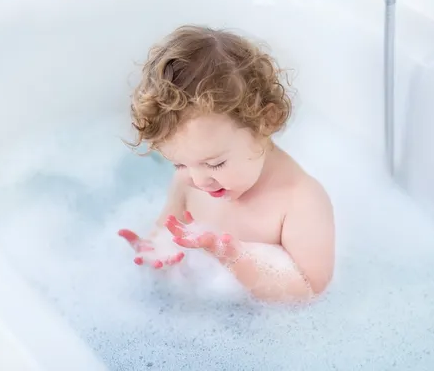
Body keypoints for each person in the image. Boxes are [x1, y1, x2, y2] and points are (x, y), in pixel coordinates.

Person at [118, 25, 335, 303]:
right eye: (179, 164)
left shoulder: (301, 201)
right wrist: (155, 252)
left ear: (266, 121)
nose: (197, 181)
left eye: (215, 164)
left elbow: (310, 290)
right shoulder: (191, 178)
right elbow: (165, 228)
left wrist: (235, 260)